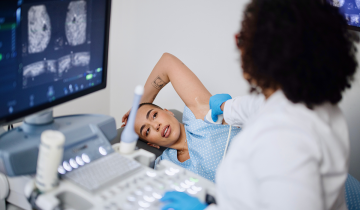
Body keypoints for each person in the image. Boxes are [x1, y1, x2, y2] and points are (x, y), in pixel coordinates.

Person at [159, 0, 358, 209]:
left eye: (242, 39)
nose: (239, 47)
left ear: (266, 52)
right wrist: (226, 108)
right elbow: (259, 107)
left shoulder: (283, 140)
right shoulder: (315, 104)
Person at [121, 53, 241, 182]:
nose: (155, 126)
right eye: (147, 131)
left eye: (154, 115)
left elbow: (167, 62)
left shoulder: (199, 117)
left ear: (168, 112)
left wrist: (139, 104)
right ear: (152, 144)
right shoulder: (164, 165)